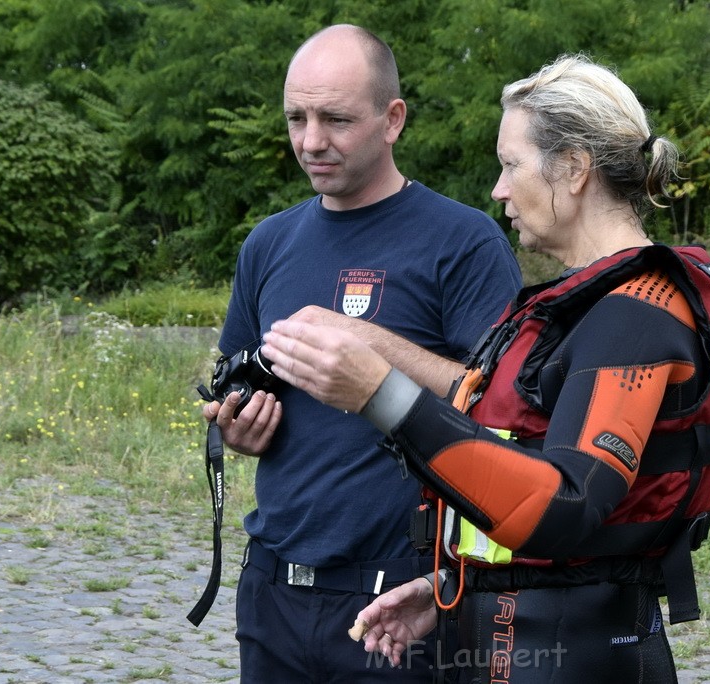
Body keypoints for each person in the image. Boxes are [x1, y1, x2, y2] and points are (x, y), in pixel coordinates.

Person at [261, 53, 710, 683]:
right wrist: (459, 581)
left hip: (582, 655)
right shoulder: (584, 304)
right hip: (521, 639)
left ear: (572, 169)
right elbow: (523, 454)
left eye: (512, 165)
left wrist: (381, 395)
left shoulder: (636, 315)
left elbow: (569, 506)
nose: (499, 189)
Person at [202, 24, 522, 683]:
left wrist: (376, 354)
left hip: (400, 601)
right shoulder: (268, 243)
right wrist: (237, 427)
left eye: (336, 118)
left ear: (392, 119)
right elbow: (233, 383)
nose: (311, 140)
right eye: (297, 117)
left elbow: (504, 408)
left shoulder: (465, 241)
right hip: (272, 589)